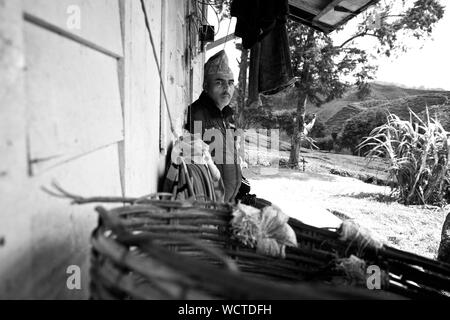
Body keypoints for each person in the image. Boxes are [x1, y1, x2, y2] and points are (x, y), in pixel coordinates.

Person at [185, 50, 242, 203]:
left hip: (226, 202)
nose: (227, 88)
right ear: (205, 86)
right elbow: (194, 164)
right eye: (219, 82)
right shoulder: (197, 115)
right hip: (209, 202)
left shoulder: (226, 115)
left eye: (230, 83)